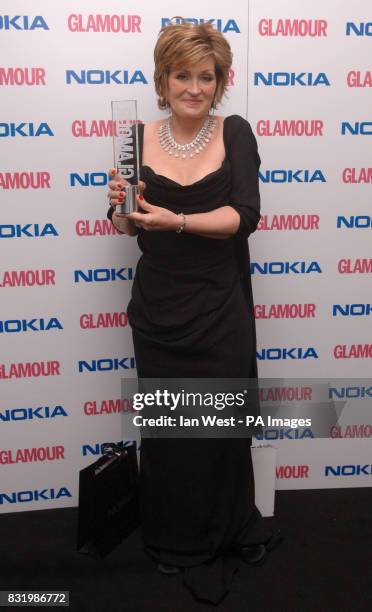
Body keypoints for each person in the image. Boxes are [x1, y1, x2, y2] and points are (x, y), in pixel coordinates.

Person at [107, 21, 281, 605]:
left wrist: (177, 221)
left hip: (220, 304)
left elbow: (245, 216)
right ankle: (173, 535)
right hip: (158, 305)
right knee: (171, 430)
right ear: (163, 79)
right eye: (182, 75)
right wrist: (120, 210)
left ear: (221, 81)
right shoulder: (134, 137)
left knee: (221, 428)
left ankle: (234, 528)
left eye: (206, 76)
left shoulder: (235, 132)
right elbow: (128, 225)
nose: (194, 87)